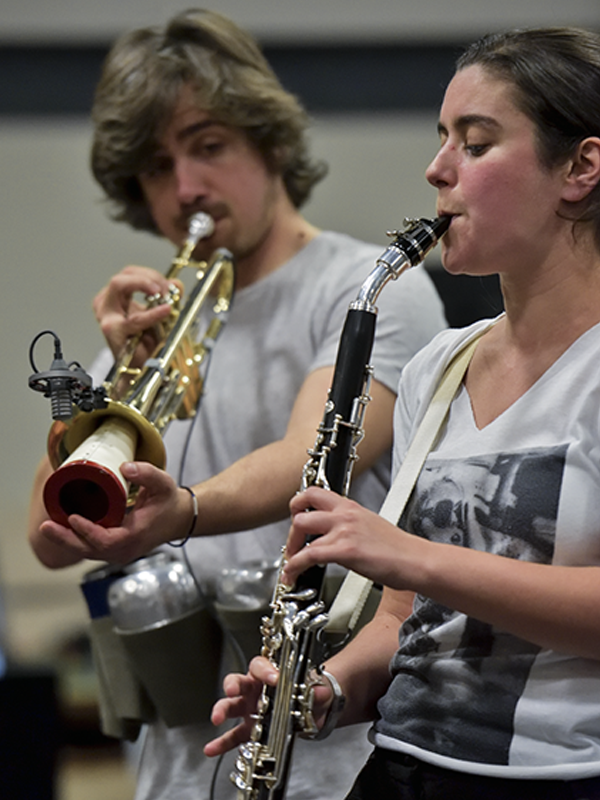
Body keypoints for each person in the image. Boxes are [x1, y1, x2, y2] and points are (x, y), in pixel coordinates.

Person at [27, 8, 447, 800]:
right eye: (157, 166)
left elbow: (314, 457)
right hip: (176, 763)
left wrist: (181, 509)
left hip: (325, 751)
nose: (186, 187)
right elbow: (48, 539)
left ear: (270, 142)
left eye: (209, 146)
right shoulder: (152, 326)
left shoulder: (365, 288)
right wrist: (112, 377)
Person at [207, 26, 600, 800]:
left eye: (475, 143)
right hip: (402, 771)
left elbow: (419, 572)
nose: (437, 168)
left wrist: (406, 553)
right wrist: (325, 692)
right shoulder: (439, 367)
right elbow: (403, 624)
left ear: (581, 168)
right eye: (442, 138)